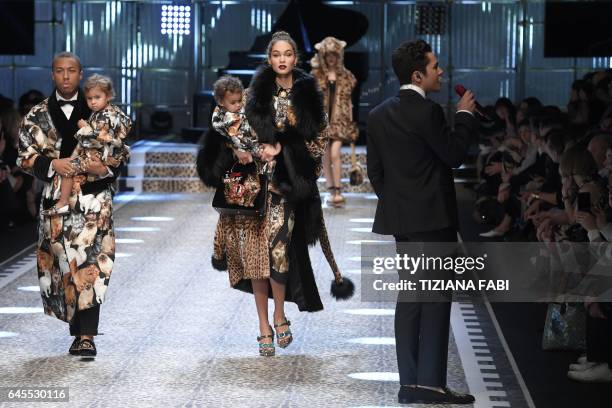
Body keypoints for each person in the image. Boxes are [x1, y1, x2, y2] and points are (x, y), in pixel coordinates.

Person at [198, 31, 353, 358]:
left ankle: (280, 314)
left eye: (288, 54)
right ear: (269, 59)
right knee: (256, 260)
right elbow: (232, 134)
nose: (282, 60)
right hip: (255, 189)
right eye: (276, 55)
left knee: (279, 255)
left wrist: (285, 151)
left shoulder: (309, 95)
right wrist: (251, 151)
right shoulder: (253, 95)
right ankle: (263, 325)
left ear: (295, 58)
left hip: (285, 188)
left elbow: (317, 143)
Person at [367, 39, 477, 404]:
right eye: (435, 66)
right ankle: (429, 384)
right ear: (418, 74)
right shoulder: (428, 112)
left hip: (403, 220)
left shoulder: (379, 114)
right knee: (435, 300)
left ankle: (409, 384)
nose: (441, 71)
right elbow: (454, 155)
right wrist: (464, 115)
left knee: (412, 297)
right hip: (433, 219)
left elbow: (376, 173)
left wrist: (401, 204)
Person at [17, 52, 130, 358]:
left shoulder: (99, 106)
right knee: (64, 262)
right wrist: (54, 162)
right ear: (52, 75)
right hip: (57, 195)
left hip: (95, 199)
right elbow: (23, 156)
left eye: (71, 71)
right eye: (59, 71)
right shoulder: (38, 114)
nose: (65, 76)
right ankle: (77, 330)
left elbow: (120, 150)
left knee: (93, 260)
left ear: (81, 74)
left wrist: (104, 169)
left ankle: (87, 335)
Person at [41, 74, 131, 216]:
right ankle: (63, 202)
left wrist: (84, 128)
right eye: (90, 98)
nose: (93, 102)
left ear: (108, 96)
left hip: (101, 158)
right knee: (68, 167)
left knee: (67, 168)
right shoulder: (106, 112)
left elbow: (100, 139)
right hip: (99, 159)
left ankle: (63, 202)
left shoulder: (107, 115)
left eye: (97, 97)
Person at [310, 36, 357, 206]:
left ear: (339, 56)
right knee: (325, 155)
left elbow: (349, 102)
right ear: (323, 55)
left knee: (335, 153)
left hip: (339, 121)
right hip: (322, 121)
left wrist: (351, 124)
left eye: (334, 55)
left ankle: (338, 189)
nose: (331, 58)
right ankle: (331, 190)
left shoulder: (346, 76)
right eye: (328, 55)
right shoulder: (315, 75)